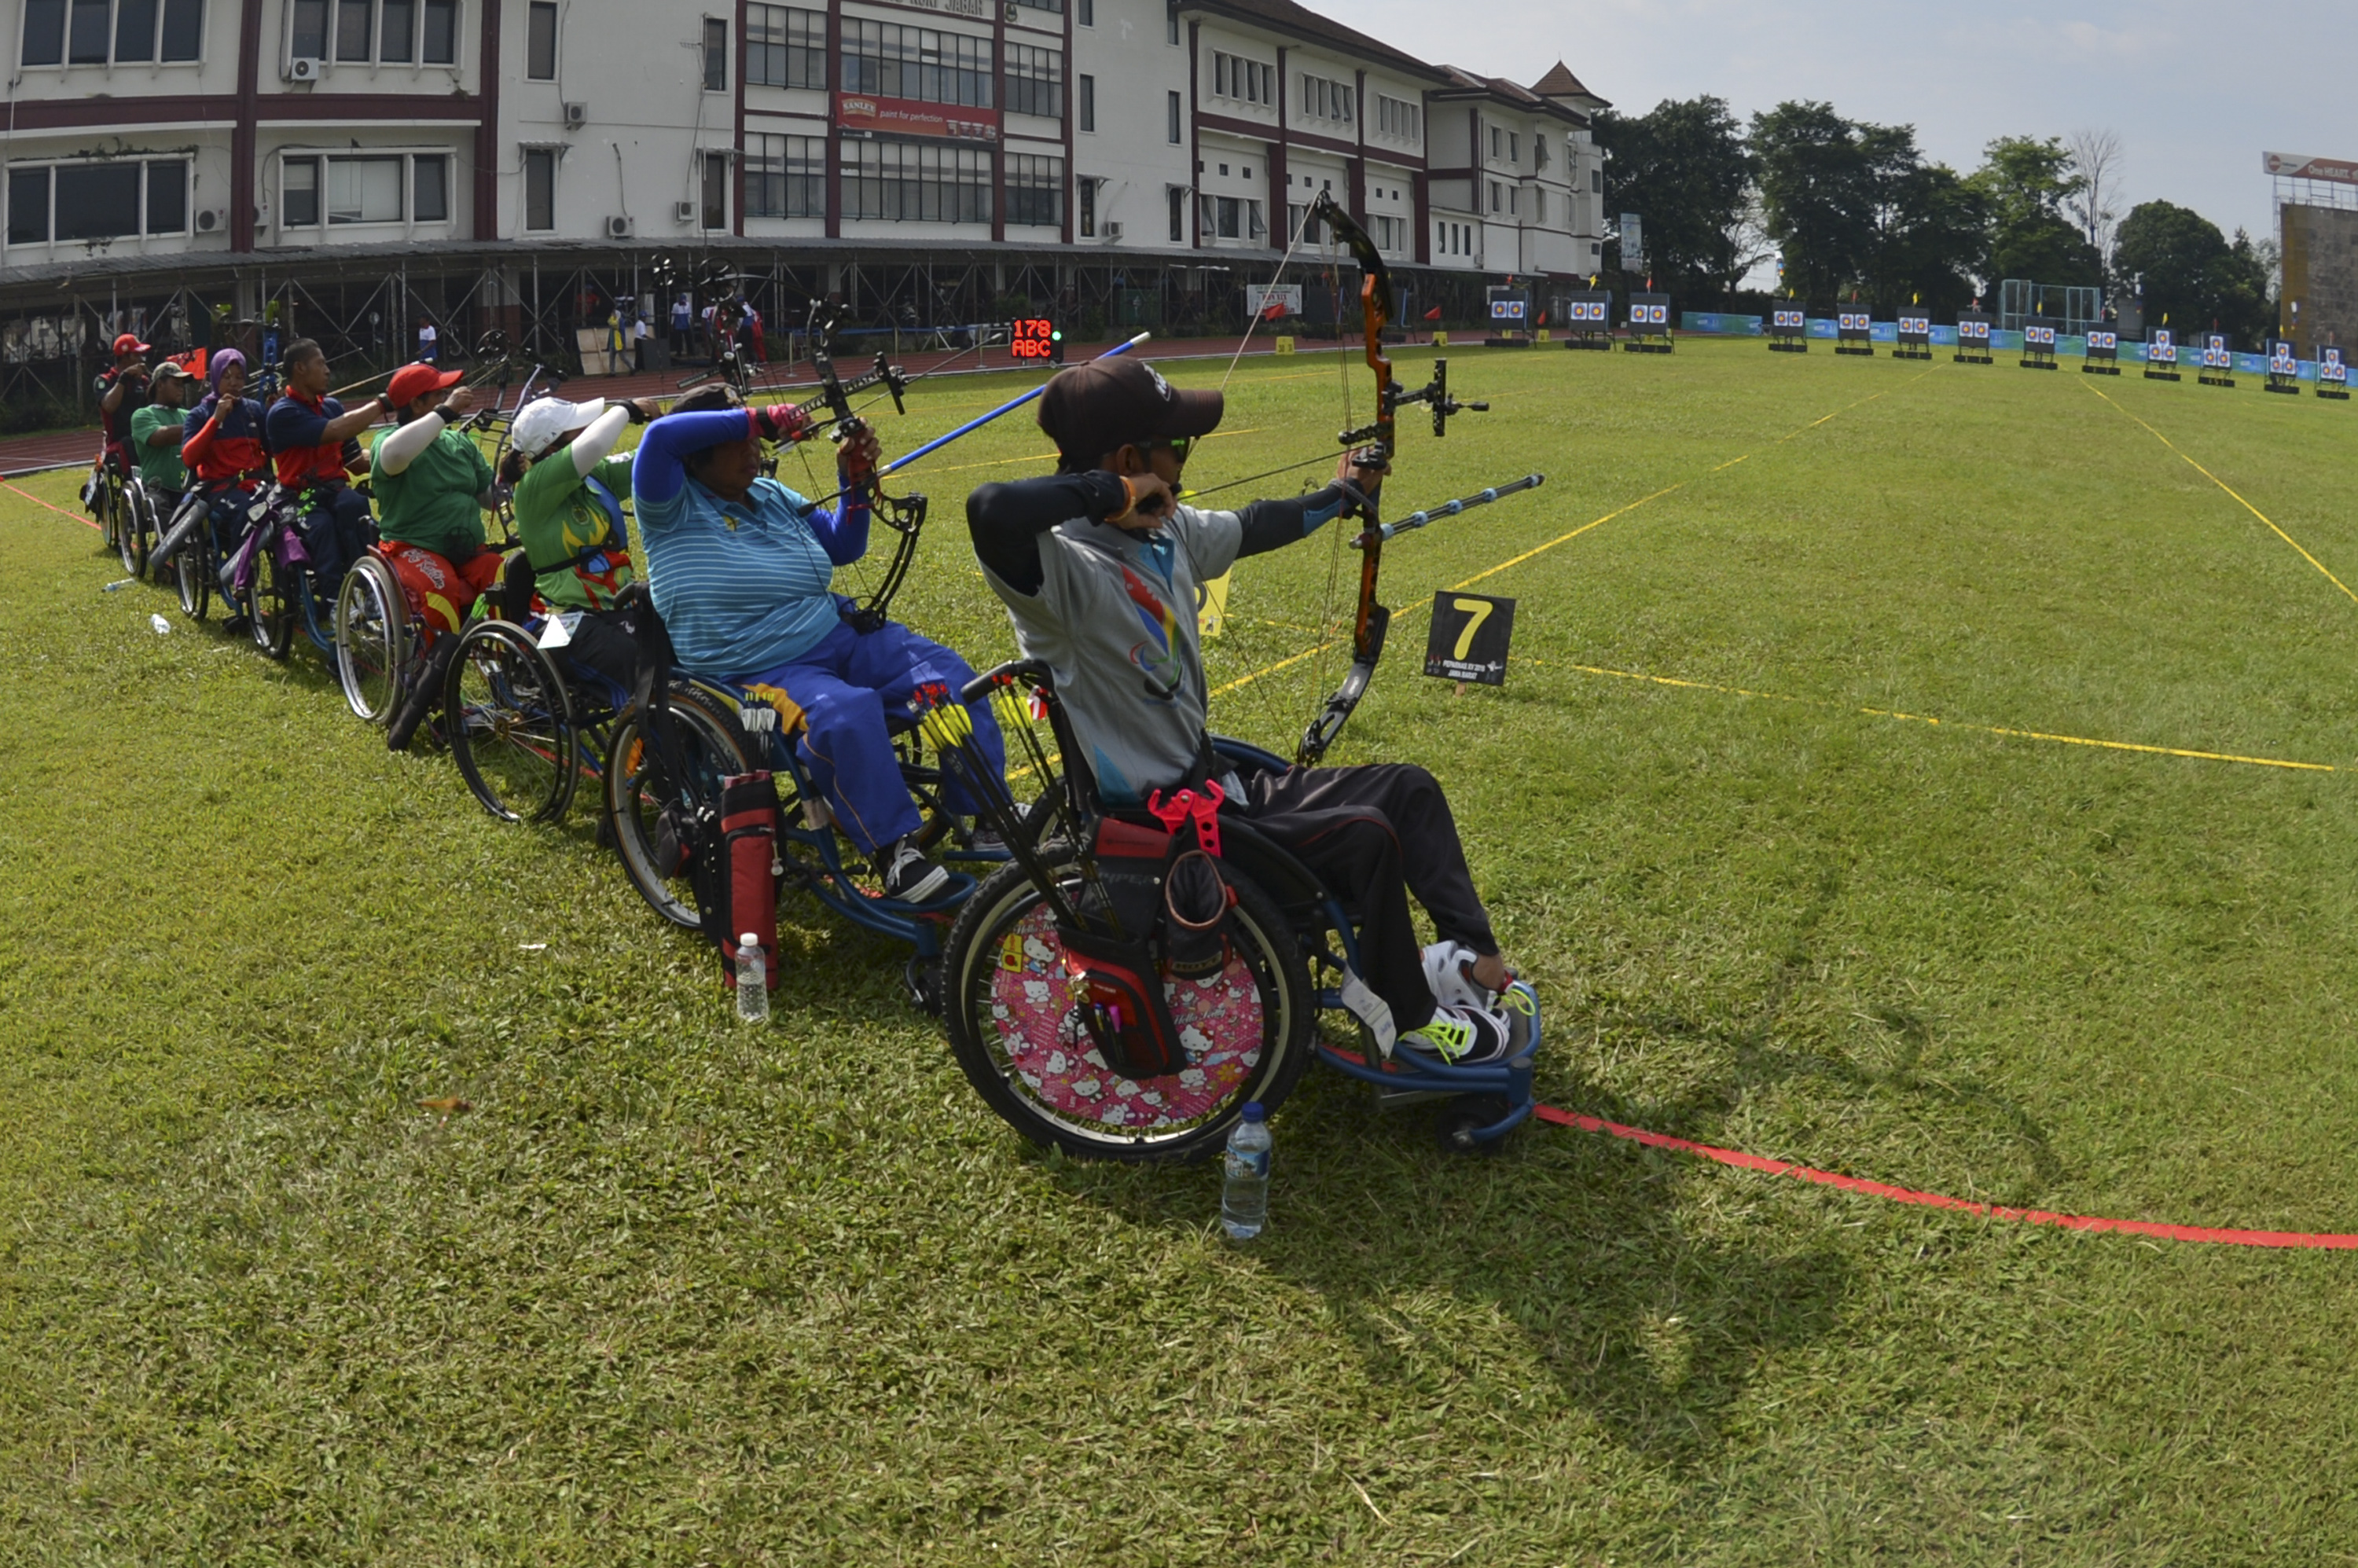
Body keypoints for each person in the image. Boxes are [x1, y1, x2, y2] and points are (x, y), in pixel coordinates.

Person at [964, 356, 1526, 1063]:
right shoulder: (1063, 577)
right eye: (1177, 448)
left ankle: (1475, 961)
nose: (1183, 463)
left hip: (1215, 792)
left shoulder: (1165, 530)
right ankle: (1409, 1019)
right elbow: (988, 509)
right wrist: (1109, 490)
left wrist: (1343, 493)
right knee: (1367, 833)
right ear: (1132, 459)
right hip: (1166, 830)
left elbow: (1257, 523)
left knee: (1407, 788)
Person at [633, 389, 1008, 902]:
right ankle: (895, 851)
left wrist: (853, 479)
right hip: (759, 670)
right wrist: (761, 416)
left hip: (840, 637)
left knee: (948, 679)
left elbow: (843, 544)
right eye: (737, 440)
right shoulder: (669, 506)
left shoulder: (771, 495)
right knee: (846, 713)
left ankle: (988, 815)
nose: (754, 449)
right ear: (697, 454)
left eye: (754, 441)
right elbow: (658, 435)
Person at [372, 361, 501, 749]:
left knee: (504, 578)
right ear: (417, 404)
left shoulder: (458, 443)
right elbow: (394, 456)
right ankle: (438, 693)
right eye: (438, 395)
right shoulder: (387, 442)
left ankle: (511, 679)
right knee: (440, 589)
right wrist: (447, 413)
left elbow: (488, 494)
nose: (447, 399)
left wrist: (513, 473)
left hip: (466, 550)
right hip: (412, 548)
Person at [496, 393, 663, 691]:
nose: (589, 428)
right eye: (578, 428)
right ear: (552, 447)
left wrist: (669, 429)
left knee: (677, 647)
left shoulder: (592, 475)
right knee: (636, 666)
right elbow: (594, 444)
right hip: (559, 621)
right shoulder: (532, 485)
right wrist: (625, 407)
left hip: (616, 607)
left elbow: (652, 462)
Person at [264, 338, 381, 593]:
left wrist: (392, 453)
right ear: (300, 368)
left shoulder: (331, 406)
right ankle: (333, 598)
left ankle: (366, 587)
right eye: (321, 363)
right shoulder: (282, 412)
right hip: (300, 496)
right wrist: (382, 403)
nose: (327, 370)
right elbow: (335, 430)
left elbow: (356, 462)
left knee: (355, 505)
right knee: (322, 526)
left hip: (334, 490)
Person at [179, 348, 273, 585]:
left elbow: (273, 448)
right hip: (221, 489)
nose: (233, 383)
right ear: (215, 378)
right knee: (249, 511)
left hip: (257, 484)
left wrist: (275, 413)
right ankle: (238, 578)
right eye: (227, 377)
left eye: (239, 377)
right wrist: (216, 420)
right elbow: (189, 458)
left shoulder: (255, 410)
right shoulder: (200, 414)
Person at [128, 359, 195, 519]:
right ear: (160, 385)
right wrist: (204, 427)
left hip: (189, 487)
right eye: (176, 384)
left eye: (182, 386)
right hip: (158, 487)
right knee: (159, 507)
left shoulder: (188, 415)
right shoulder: (143, 415)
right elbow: (160, 437)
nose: (181, 390)